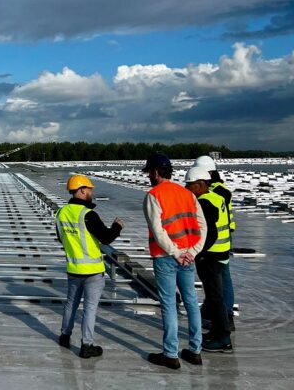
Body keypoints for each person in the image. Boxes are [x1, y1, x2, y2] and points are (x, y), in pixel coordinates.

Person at [142, 154, 207, 369]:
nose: (149, 176)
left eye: (150, 172)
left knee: (169, 304)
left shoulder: (154, 195)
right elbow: (202, 227)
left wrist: (176, 252)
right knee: (191, 302)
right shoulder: (187, 194)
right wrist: (192, 251)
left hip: (166, 257)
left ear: (155, 172)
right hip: (187, 257)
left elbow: (158, 230)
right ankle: (195, 350)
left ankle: (171, 354)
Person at [55, 174, 125, 359]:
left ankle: (65, 336)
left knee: (71, 303)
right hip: (92, 270)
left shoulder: (61, 213)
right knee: (90, 308)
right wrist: (117, 226)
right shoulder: (88, 215)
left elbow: (61, 237)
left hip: (73, 268)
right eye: (90, 189)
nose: (92, 193)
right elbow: (107, 238)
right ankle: (87, 345)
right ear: (82, 190)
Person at [184, 167, 233, 353]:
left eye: (190, 185)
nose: (188, 188)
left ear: (201, 184)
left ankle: (223, 339)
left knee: (215, 297)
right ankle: (216, 331)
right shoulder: (216, 197)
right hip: (221, 253)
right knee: (215, 297)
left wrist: (198, 252)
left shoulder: (204, 203)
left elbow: (210, 232)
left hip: (210, 256)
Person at [194, 155, 236, 330]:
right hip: (224, 239)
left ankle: (225, 317)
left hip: (215, 243)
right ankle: (220, 314)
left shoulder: (214, 193)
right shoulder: (222, 189)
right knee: (220, 282)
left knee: (220, 282)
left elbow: (210, 225)